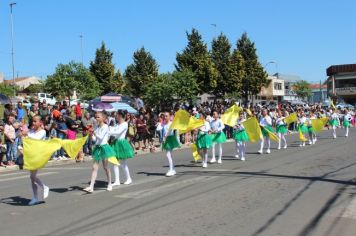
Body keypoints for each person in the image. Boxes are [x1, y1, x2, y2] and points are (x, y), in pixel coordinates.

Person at [84, 112, 116, 193]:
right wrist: (91, 135)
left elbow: (101, 138)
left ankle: (109, 183)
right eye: (96, 117)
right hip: (98, 148)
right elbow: (96, 140)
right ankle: (91, 187)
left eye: (98, 117)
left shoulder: (105, 127)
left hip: (104, 148)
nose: (96, 118)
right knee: (94, 168)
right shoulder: (97, 127)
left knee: (105, 167)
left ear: (103, 118)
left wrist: (94, 132)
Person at [27, 116, 50, 205]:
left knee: (32, 177)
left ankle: (45, 187)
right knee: (32, 178)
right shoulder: (31, 131)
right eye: (32, 121)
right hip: (31, 155)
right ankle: (35, 197)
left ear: (40, 122)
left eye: (35, 121)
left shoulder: (43, 132)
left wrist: (26, 134)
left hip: (38, 156)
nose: (33, 123)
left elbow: (35, 140)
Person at [109, 110, 135, 185]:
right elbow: (115, 134)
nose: (116, 116)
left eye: (117, 115)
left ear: (120, 115)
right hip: (116, 143)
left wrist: (110, 131)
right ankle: (117, 180)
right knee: (115, 162)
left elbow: (117, 132)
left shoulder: (124, 124)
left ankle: (128, 178)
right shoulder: (117, 124)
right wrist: (110, 129)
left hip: (121, 143)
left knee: (123, 163)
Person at [162, 112, 181, 176]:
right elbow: (163, 131)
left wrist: (165, 137)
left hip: (170, 139)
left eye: (166, 116)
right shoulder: (164, 124)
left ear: (169, 116)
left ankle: (171, 170)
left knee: (168, 155)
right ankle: (172, 169)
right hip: (167, 139)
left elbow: (170, 131)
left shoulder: (171, 124)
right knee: (169, 155)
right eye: (164, 116)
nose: (165, 117)